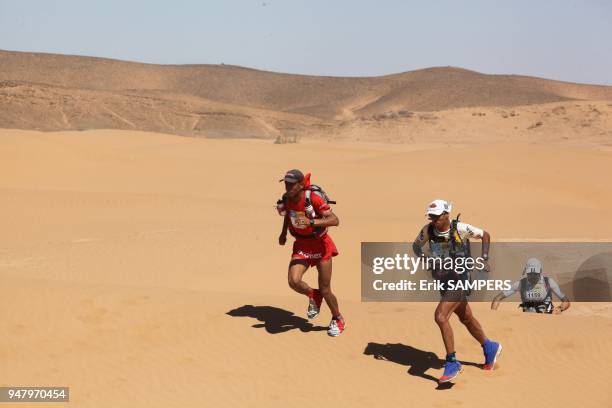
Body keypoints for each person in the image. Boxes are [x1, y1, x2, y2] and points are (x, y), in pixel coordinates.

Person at [412, 199, 502, 383]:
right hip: (443, 281)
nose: (433, 220)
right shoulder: (428, 230)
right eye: (431, 216)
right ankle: (489, 346)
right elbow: (416, 246)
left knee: (440, 316)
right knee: (466, 318)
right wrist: (426, 259)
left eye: (437, 216)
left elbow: (485, 234)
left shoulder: (460, 228)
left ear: (446, 215)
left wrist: (484, 258)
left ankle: (452, 361)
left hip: (460, 280)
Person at [277, 169, 345, 337]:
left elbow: (335, 220)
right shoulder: (287, 198)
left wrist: (311, 221)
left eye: (291, 184)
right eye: (286, 183)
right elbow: (288, 215)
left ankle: (338, 318)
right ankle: (313, 295)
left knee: (326, 289)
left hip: (321, 246)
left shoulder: (312, 198)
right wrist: (283, 233)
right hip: (301, 245)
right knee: (293, 281)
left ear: (300, 185)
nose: (287, 187)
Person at [491, 258, 570, 314]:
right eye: (530, 274)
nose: (532, 276)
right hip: (527, 323)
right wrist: (493, 315)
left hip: (547, 320)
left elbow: (566, 301)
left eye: (535, 274)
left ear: (540, 271)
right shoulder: (521, 284)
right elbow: (498, 298)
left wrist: (559, 308)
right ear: (526, 272)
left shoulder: (549, 282)